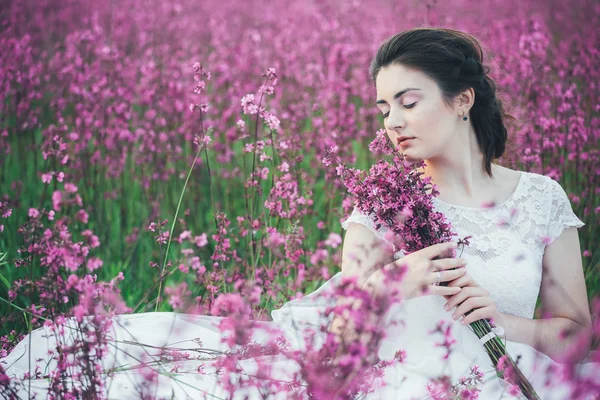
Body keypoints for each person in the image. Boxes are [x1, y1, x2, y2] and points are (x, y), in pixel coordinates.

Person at [2, 27, 598, 399]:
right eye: (383, 107)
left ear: (462, 100)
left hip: (507, 377)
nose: (390, 122)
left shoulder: (540, 197)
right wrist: (399, 281)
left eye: (408, 102)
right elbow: (341, 329)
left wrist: (498, 322)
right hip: (393, 376)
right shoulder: (383, 200)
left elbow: (572, 331)